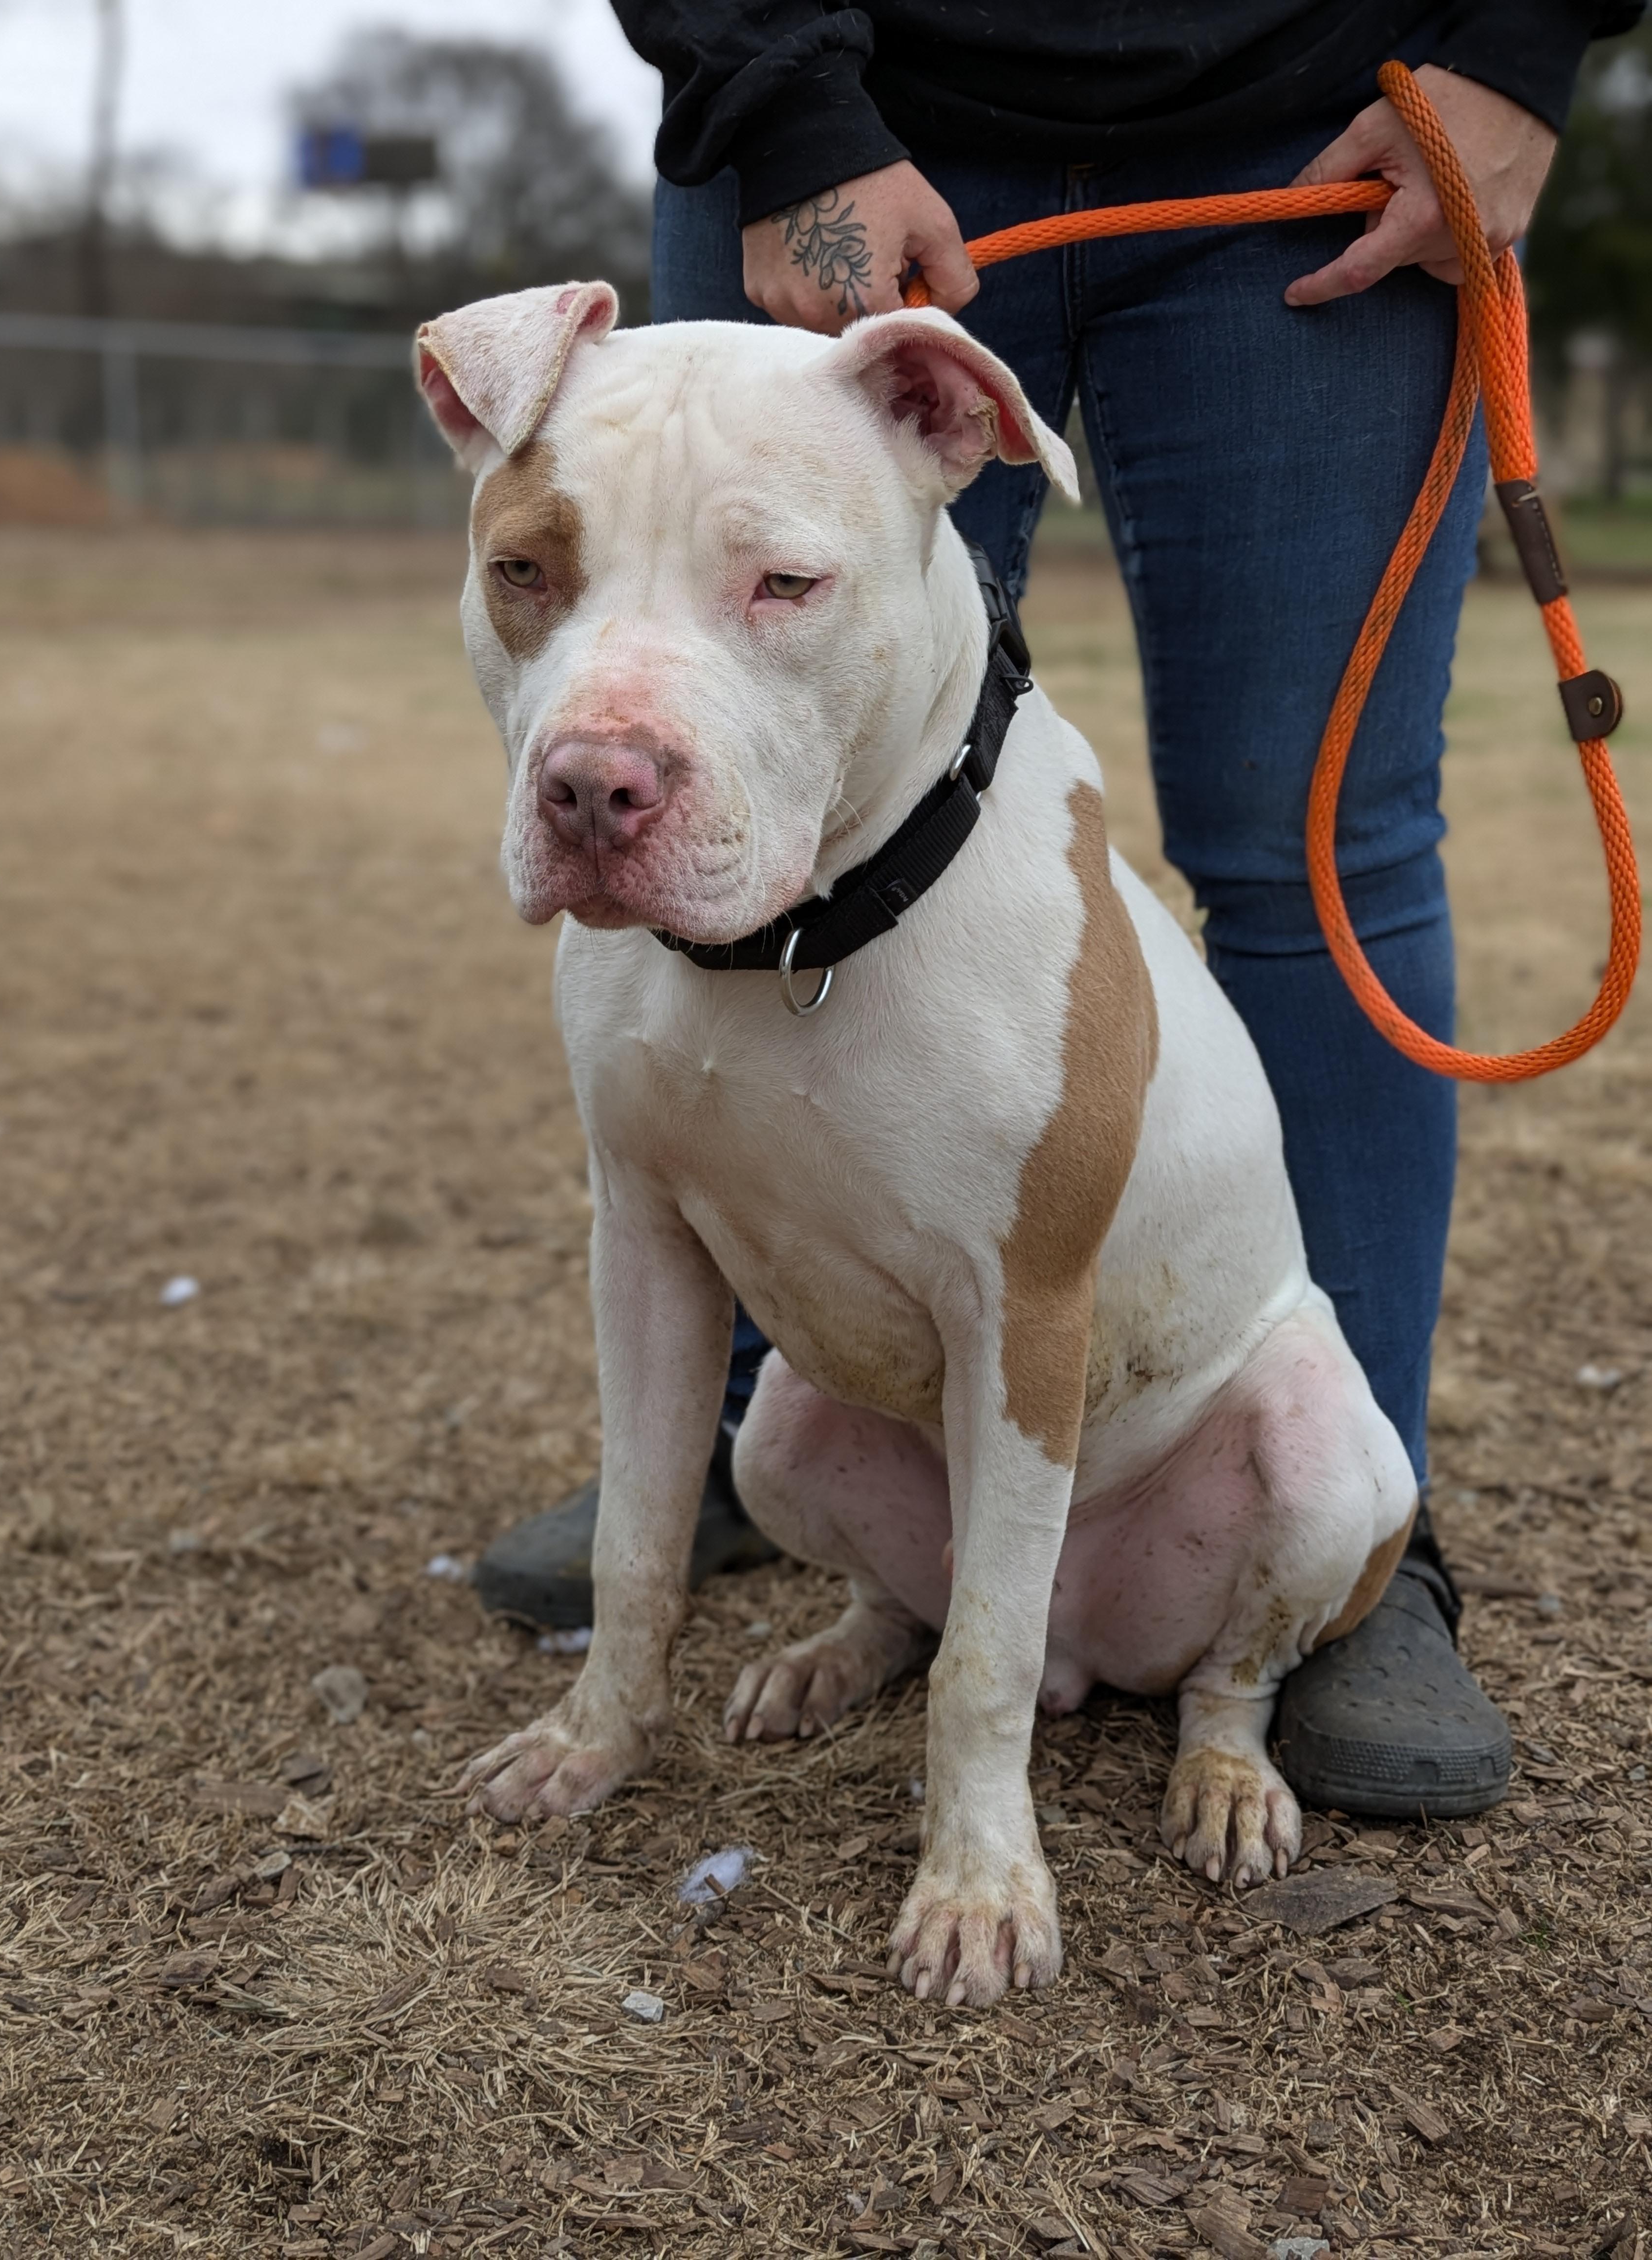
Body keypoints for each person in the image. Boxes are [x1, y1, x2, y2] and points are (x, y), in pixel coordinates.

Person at [472, 0, 1642, 1818]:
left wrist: (1518, 44)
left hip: (1325, 123)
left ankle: (1351, 1534)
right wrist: (783, 103)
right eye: (533, 577)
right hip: (837, 97)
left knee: (1320, 847)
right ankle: (765, 1465)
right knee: (736, 849)